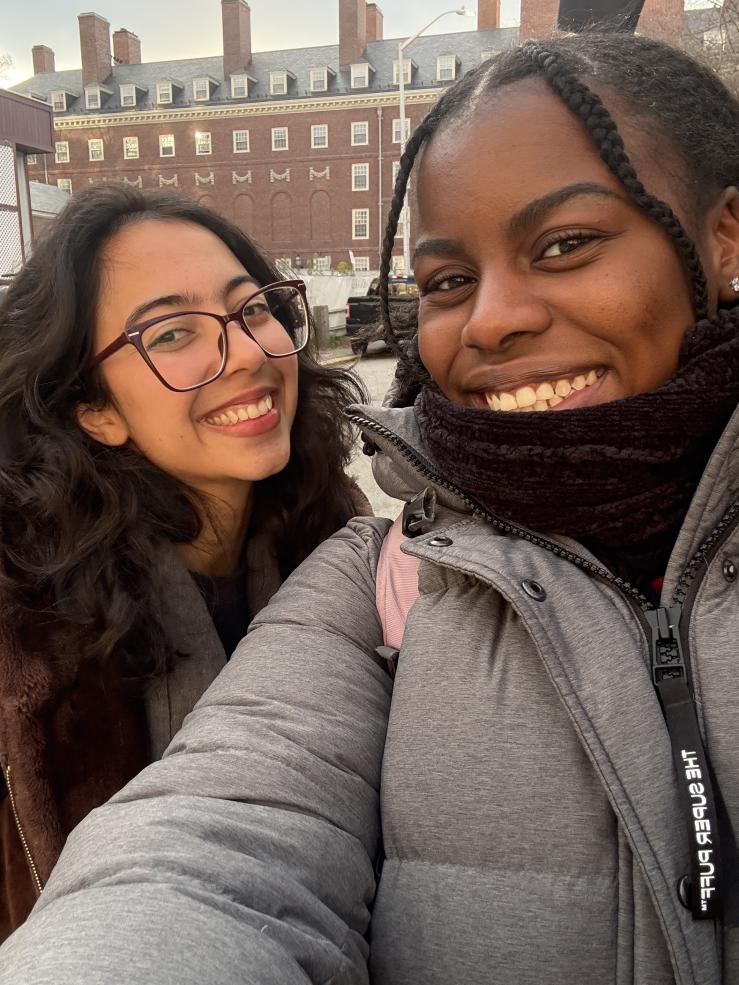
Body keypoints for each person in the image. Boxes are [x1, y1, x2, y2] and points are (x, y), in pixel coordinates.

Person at [2, 31, 739, 984]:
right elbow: (220, 836)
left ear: (721, 240)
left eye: (565, 244)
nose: (490, 319)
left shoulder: (328, 525)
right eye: (445, 282)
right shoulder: (383, 573)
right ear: (91, 410)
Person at [0, 185, 370, 941]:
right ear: (93, 409)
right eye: (171, 334)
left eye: (253, 309)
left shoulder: (341, 548)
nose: (246, 353)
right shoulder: (24, 640)